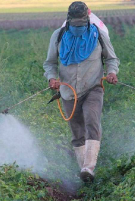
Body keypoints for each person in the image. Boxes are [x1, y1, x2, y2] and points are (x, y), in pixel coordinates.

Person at [43, 1, 120, 182]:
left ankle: (88, 167)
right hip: (68, 91)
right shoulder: (59, 36)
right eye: (75, 24)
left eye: (81, 24)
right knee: (77, 132)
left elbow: (111, 59)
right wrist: (52, 78)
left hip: (93, 87)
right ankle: (84, 173)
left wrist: (111, 73)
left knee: (92, 121)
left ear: (87, 18)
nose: (78, 27)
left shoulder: (99, 35)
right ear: (69, 20)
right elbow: (50, 63)